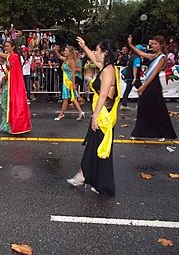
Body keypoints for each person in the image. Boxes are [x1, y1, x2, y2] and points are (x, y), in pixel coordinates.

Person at [66, 37, 120, 197]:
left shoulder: (109, 70)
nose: (95, 53)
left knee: (97, 149)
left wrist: (95, 116)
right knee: (95, 148)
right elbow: (93, 59)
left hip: (103, 116)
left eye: (97, 50)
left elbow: (103, 95)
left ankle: (85, 177)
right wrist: (85, 47)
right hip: (101, 113)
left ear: (104, 52)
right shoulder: (106, 67)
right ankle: (95, 181)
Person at [127, 35, 177, 141]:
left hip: (153, 85)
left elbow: (154, 73)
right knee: (144, 107)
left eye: (155, 44)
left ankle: (162, 133)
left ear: (161, 45)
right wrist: (131, 45)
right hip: (150, 84)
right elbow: (140, 53)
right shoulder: (154, 56)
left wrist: (143, 86)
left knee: (156, 108)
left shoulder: (162, 57)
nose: (153, 45)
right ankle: (139, 132)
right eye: (152, 43)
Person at [0, 41, 31, 134]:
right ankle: (8, 124)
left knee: (9, 103)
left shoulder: (15, 57)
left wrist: (4, 78)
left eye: (8, 46)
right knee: (5, 103)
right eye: (5, 46)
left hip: (13, 84)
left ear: (13, 47)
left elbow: (12, 72)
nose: (6, 48)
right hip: (9, 83)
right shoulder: (9, 56)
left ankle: (14, 125)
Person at [53, 45, 85, 121]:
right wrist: (55, 50)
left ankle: (61, 114)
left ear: (70, 52)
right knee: (72, 98)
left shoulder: (71, 61)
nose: (64, 52)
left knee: (66, 98)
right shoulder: (66, 60)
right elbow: (59, 56)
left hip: (69, 81)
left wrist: (73, 84)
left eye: (66, 51)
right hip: (65, 80)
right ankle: (80, 112)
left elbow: (73, 74)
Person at [120, 45, 146, 111]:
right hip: (134, 78)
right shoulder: (137, 58)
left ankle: (123, 104)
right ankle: (142, 104)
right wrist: (134, 77)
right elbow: (135, 67)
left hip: (129, 77)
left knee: (127, 90)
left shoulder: (132, 57)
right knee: (142, 90)